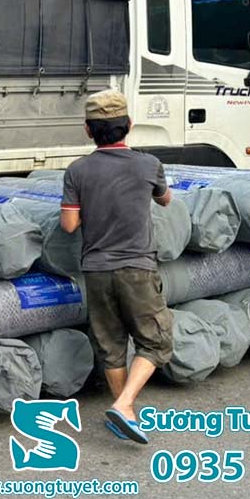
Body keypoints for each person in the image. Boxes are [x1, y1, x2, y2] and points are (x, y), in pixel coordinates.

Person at [60, 89, 173, 445]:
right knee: (156, 342)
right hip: (137, 268)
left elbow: (69, 225)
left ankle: (126, 412)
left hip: (96, 270)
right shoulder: (148, 164)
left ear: (88, 130)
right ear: (129, 125)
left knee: (110, 345)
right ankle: (124, 404)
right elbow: (166, 200)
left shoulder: (77, 170)